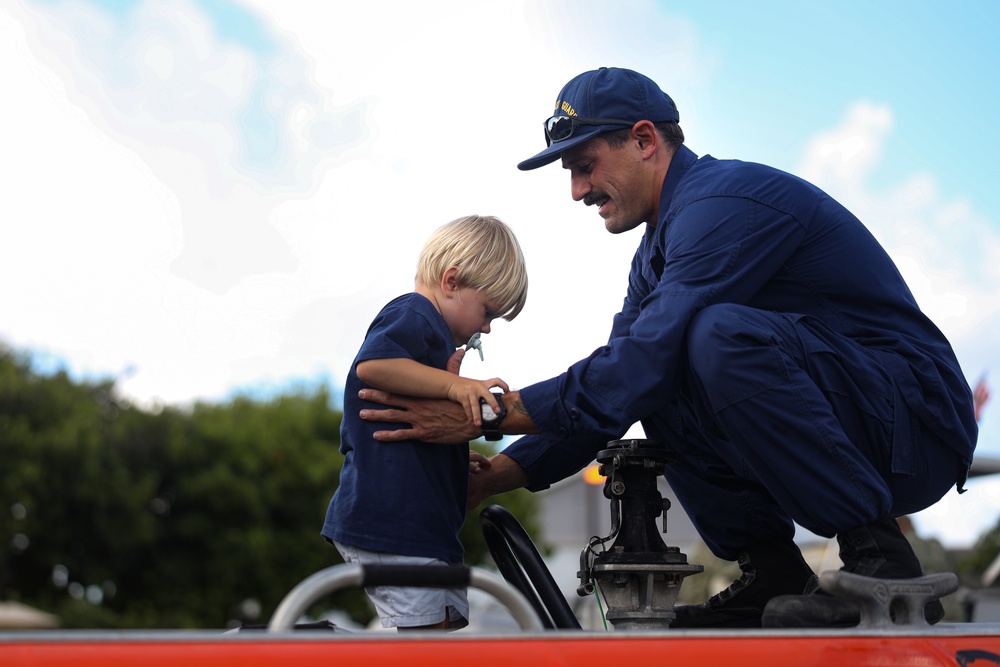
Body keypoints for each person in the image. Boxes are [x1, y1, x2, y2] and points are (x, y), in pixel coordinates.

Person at [357, 68, 977, 629]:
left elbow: (641, 363)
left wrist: (489, 410)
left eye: (584, 164)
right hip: (865, 421)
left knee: (708, 338)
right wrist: (498, 474)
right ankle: (774, 571)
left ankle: (881, 557)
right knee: (663, 370)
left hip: (914, 421)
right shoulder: (655, 258)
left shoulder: (720, 204)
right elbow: (617, 385)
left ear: (646, 140)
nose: (576, 190)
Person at [322, 214, 528, 631]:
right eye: (487, 312)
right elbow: (373, 365)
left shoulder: (431, 339)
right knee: (426, 644)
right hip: (393, 525)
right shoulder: (414, 313)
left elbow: (417, 423)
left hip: (420, 530)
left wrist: (451, 446)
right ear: (451, 281)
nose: (485, 328)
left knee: (443, 629)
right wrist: (456, 388)